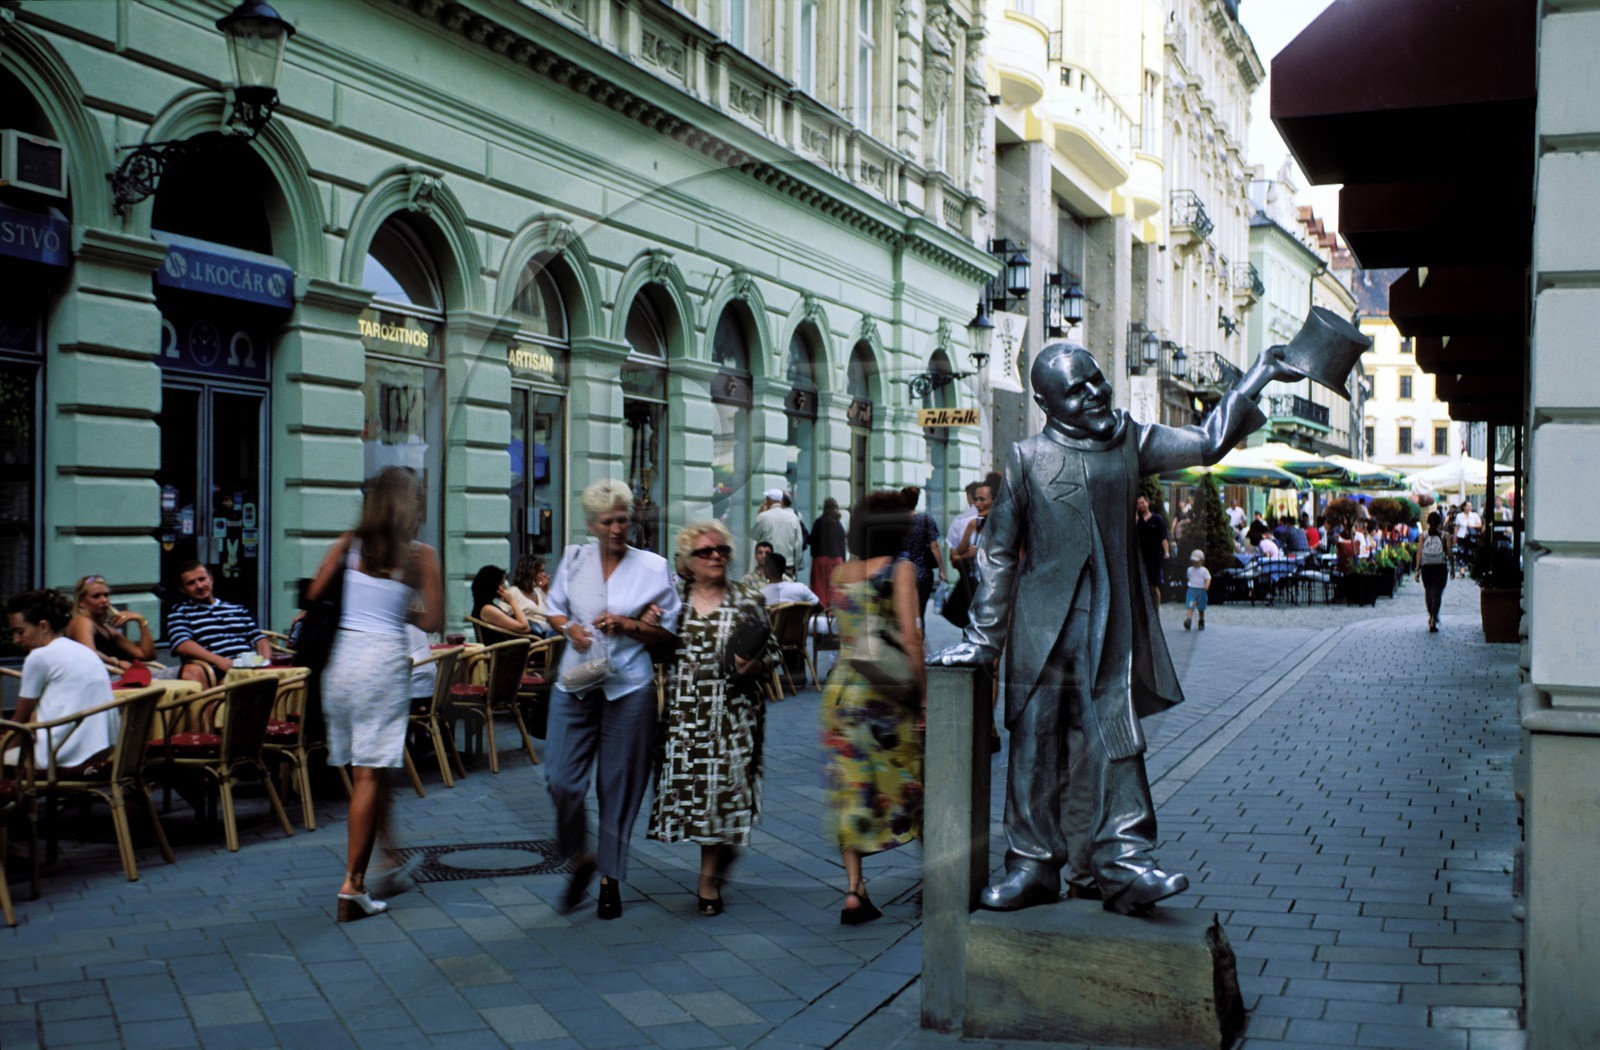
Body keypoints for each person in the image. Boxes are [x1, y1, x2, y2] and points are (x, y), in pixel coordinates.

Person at [929, 339, 1297, 915]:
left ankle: (1124, 864)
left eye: (1097, 379)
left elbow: (1204, 442)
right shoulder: (1027, 457)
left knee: (1116, 739)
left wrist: (1259, 375)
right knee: (1033, 744)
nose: (1097, 393)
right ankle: (1030, 865)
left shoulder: (1130, 437)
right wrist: (983, 640)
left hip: (1109, 620)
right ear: (1047, 403)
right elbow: (997, 553)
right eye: (1078, 390)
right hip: (1040, 626)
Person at [304, 467, 445, 923]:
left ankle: (389, 855)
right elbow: (433, 623)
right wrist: (399, 603)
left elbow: (314, 593)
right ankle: (353, 886)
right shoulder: (421, 556)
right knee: (370, 773)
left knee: (372, 767)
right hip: (383, 662)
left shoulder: (349, 543)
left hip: (342, 662)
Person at [545, 479, 682, 920]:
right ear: (591, 524)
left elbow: (668, 636)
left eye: (624, 519)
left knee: (617, 786)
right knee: (561, 780)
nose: (618, 528)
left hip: (630, 685)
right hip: (579, 678)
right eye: (608, 522)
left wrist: (628, 625)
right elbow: (552, 609)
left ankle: (610, 878)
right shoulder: (575, 559)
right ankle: (580, 856)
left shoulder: (653, 567)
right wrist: (571, 628)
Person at [649, 520, 779, 916]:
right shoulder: (674, 600)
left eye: (721, 549)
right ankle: (720, 855)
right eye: (705, 551)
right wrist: (650, 628)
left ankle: (708, 881)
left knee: (724, 793)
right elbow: (655, 652)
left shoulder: (746, 598)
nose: (716, 556)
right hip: (686, 716)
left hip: (734, 715)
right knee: (695, 796)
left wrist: (752, 665)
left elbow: (772, 654)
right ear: (688, 560)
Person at [820, 491, 924, 925]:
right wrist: (923, 699)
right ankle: (937, 873)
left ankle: (853, 889)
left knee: (850, 787)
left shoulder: (842, 574)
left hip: (843, 692)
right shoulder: (899, 570)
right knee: (913, 782)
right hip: (886, 695)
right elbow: (911, 637)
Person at [3, 589, 119, 773]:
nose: (16, 640)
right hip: (101, 748)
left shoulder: (39, 657)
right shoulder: (80, 650)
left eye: (20, 631)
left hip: (62, 755)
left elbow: (20, 718)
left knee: (5, 757)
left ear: (43, 626)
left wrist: (4, 748)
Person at [166, 562, 273, 684]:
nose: (199, 586)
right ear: (183, 589)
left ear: (211, 579)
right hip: (217, 672)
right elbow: (182, 644)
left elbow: (259, 639)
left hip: (249, 667)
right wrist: (220, 661)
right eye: (191, 583)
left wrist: (265, 663)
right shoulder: (181, 612)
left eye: (202, 579)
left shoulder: (236, 609)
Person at [67, 575, 156, 673]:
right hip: (103, 680)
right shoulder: (82, 621)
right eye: (96, 596)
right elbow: (89, 653)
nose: (104, 600)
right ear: (81, 602)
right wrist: (116, 662)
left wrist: (141, 621)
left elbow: (146, 655)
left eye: (106, 595)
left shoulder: (106, 629)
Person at [899, 486, 944, 621]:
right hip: (922, 571)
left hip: (901, 571)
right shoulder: (925, 520)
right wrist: (941, 570)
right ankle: (919, 634)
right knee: (919, 612)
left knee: (904, 612)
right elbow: (934, 546)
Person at [751, 488, 804, 576]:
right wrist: (796, 564)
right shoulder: (793, 518)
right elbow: (798, 544)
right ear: (780, 500)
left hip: (768, 563)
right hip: (787, 563)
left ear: (769, 500)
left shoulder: (763, 517)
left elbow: (754, 536)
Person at [470, 564, 533, 638]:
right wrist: (512, 602)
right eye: (502, 583)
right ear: (493, 586)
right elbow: (524, 628)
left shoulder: (486, 606)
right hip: (512, 648)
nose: (505, 587)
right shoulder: (487, 609)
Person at [809, 500, 848, 612]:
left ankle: (821, 612)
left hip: (821, 559)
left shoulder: (819, 522)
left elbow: (812, 540)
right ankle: (832, 612)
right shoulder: (839, 524)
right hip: (837, 560)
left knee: (819, 587)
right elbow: (842, 546)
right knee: (834, 589)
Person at [1415, 511, 1449, 633]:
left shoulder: (1423, 536)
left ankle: (1431, 616)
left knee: (1429, 591)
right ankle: (1434, 617)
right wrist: (1453, 567)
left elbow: (1419, 553)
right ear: (1440, 522)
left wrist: (1417, 569)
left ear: (1428, 522)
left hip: (1426, 567)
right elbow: (1449, 553)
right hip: (1440, 566)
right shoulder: (1445, 535)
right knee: (1437, 593)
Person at [1135, 496, 1169, 608]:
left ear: (1147, 503)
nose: (1141, 505)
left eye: (1142, 502)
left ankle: (1156, 609)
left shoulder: (1157, 519)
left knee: (1153, 586)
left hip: (1154, 557)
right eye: (1138, 504)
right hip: (1141, 557)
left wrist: (1166, 552)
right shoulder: (1137, 520)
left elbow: (1163, 537)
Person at [506, 556, 552, 636]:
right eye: (541, 571)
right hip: (532, 636)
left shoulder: (539, 591)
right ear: (531, 573)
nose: (544, 574)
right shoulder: (513, 592)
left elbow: (555, 612)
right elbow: (504, 615)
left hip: (549, 633)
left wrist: (546, 589)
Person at [1182, 551, 1210, 631]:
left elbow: (1208, 579)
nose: (1195, 563)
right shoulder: (1190, 570)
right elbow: (1189, 578)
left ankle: (1201, 621)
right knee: (1191, 605)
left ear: (1201, 561)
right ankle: (1188, 620)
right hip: (1192, 591)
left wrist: (1207, 585)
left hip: (1201, 591)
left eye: (1197, 561)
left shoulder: (1204, 570)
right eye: (1193, 561)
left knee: (1201, 608)